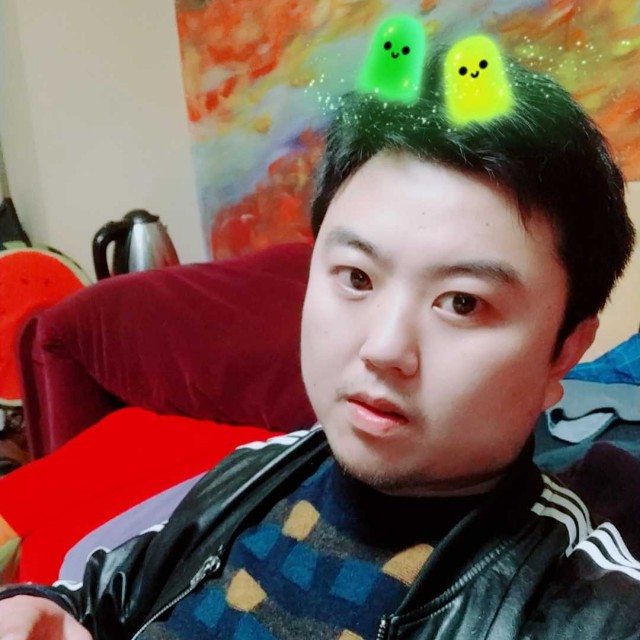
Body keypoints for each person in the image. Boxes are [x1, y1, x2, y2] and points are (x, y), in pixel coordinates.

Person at [0, 44, 638, 640]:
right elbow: (102, 593)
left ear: (564, 352)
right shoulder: (260, 471)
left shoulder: (585, 603)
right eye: (357, 278)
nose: (383, 349)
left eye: (462, 303)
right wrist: (40, 609)